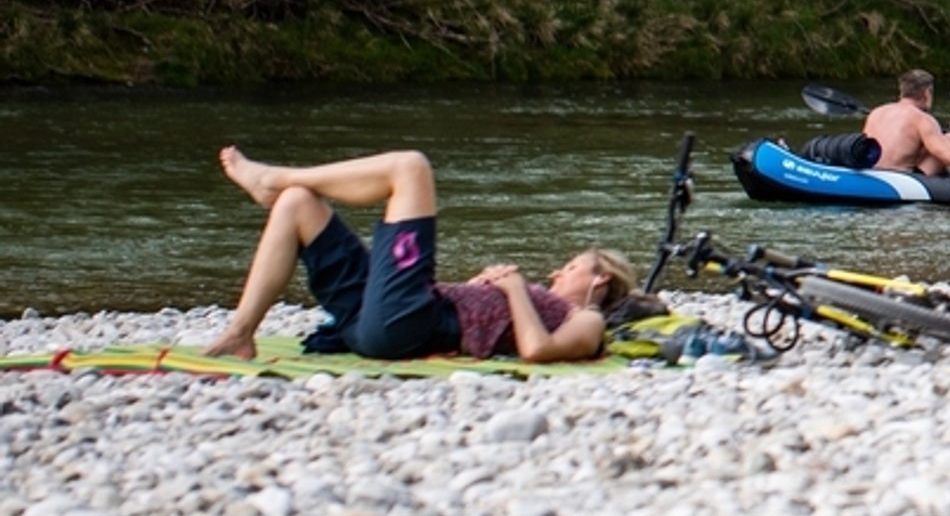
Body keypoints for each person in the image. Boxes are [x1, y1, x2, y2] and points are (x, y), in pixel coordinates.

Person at [204, 146, 643, 363]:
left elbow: (536, 350)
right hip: (377, 318)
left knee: (411, 167)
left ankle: (273, 178)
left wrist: (512, 290)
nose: (556, 271)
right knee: (298, 203)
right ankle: (241, 333)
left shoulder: (587, 320)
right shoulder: (549, 304)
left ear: (600, 280)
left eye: (570, 267)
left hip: (400, 326)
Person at [863, 69, 950, 175]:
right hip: (904, 178)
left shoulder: (876, 112)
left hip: (874, 173)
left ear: (902, 92)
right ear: (927, 94)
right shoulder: (922, 119)